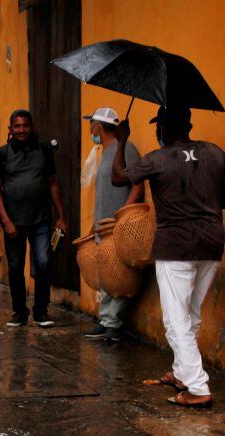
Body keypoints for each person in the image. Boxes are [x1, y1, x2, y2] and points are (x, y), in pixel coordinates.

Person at [112, 105, 225, 409]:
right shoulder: (215, 152)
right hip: (211, 241)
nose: (157, 132)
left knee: (175, 320)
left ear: (163, 130)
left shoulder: (157, 159)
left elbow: (118, 177)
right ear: (189, 124)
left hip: (176, 246)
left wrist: (121, 141)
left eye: (158, 127)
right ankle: (183, 373)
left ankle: (198, 387)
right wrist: (203, 202)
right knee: (191, 313)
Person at [0, 109, 70, 328]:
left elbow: (52, 183)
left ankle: (41, 311)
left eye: (25, 125)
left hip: (41, 219)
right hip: (13, 222)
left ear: (32, 127)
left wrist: (61, 216)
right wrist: (6, 220)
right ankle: (19, 311)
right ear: (10, 130)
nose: (21, 130)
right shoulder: (1, 154)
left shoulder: (44, 151)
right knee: (16, 268)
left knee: (43, 263)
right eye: (17, 126)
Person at [82, 107, 144, 342]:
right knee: (107, 274)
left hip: (118, 225)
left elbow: (138, 184)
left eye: (91, 125)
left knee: (119, 274)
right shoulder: (104, 152)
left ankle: (113, 325)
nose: (90, 129)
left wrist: (123, 215)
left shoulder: (125, 149)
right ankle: (106, 321)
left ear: (98, 126)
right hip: (104, 224)